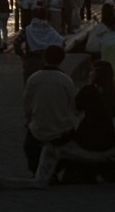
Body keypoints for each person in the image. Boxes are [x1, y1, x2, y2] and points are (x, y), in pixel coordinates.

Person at [21, 44, 75, 175]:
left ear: (44, 58)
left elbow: (27, 104)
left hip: (38, 128)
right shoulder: (66, 80)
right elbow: (71, 107)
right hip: (61, 128)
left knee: (29, 147)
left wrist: (28, 120)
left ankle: (36, 169)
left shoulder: (34, 78)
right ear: (62, 60)